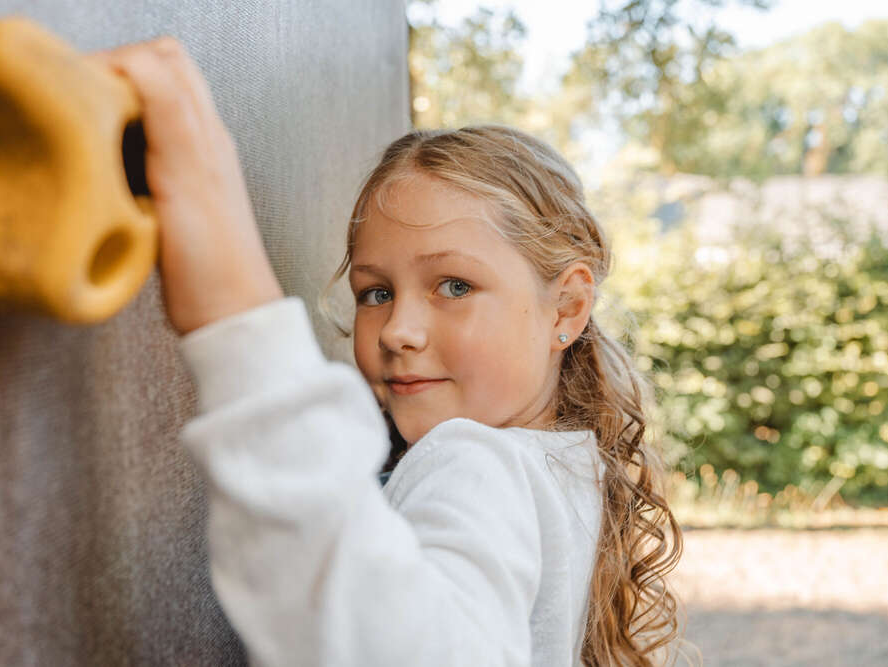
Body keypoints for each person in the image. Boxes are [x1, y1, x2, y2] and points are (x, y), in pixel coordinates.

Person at [88, 37, 685, 666]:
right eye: (375, 292)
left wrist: (235, 316)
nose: (399, 329)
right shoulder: (563, 466)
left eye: (455, 286)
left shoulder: (474, 460)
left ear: (566, 308)